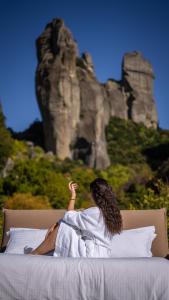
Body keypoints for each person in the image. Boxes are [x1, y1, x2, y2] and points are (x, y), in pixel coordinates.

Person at [30, 178, 123, 257]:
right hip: (104, 254)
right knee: (65, 225)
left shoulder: (95, 212)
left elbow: (69, 215)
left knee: (64, 227)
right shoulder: (113, 213)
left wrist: (73, 195)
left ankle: (34, 254)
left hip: (91, 254)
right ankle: (40, 253)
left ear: (95, 195)